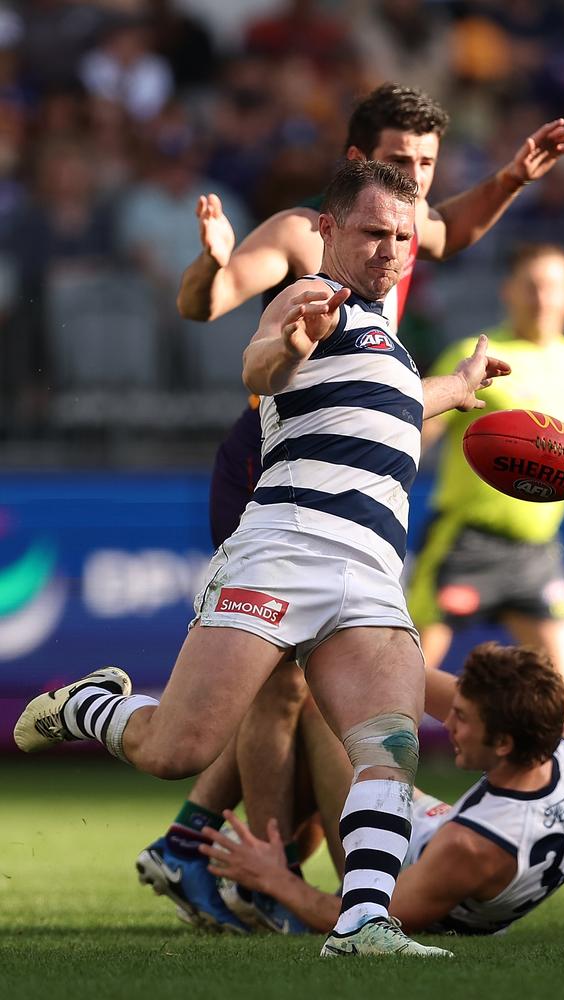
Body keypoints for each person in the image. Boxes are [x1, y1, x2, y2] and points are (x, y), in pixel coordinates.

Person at [13, 160, 511, 959]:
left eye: (403, 237)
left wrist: (458, 384)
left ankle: (364, 922)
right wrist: (287, 345)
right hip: (283, 550)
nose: (391, 249)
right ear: (328, 231)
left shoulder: (387, 341)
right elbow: (261, 370)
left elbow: (395, 405)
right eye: (374, 233)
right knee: (178, 752)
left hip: (372, 570)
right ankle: (93, 706)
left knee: (389, 746)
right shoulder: (310, 298)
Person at [138, 84, 564, 930]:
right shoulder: (305, 233)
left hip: (365, 450)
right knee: (280, 689)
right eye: (403, 164)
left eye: (426, 167)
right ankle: (252, 872)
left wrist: (512, 178)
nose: (418, 183)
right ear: (357, 165)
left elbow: (457, 224)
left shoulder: (405, 220)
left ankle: (205, 843)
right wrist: (211, 260)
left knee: (320, 687)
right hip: (281, 464)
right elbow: (210, 305)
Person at [201, 641, 564, 938]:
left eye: (461, 718)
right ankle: (202, 843)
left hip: (407, 871)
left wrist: (273, 878)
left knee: (307, 702)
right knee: (323, 687)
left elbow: (355, 915)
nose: (448, 725)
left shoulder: (470, 848)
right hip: (439, 832)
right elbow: (402, 676)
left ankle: (253, 870)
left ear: (504, 744)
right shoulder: (563, 746)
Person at [407, 242, 564, 724]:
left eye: (555, 285)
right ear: (509, 292)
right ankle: (351, 786)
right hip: (464, 544)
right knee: (401, 683)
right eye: (533, 286)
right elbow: (418, 430)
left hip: (536, 552)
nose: (544, 297)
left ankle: (525, 796)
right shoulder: (475, 356)